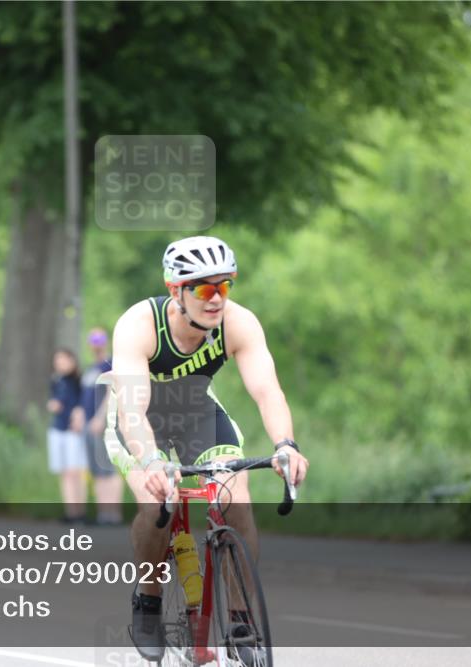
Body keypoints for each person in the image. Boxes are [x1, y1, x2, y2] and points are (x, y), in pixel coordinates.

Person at [102, 236, 309, 662]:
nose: (216, 299)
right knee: (157, 501)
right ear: (175, 290)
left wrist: (286, 445)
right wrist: (151, 461)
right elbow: (133, 411)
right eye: (203, 288)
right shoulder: (139, 324)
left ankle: (239, 621)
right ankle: (148, 598)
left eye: (224, 286)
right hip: (139, 419)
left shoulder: (239, 323)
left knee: (235, 495)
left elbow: (268, 392)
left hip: (197, 413)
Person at [80, 328, 123, 525]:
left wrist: (101, 418)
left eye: (99, 341)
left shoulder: (109, 363)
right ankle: (102, 513)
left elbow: (110, 392)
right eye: (93, 342)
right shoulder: (90, 368)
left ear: (105, 343)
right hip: (88, 425)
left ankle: (113, 514)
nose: (96, 346)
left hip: (104, 424)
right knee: (96, 470)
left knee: (108, 468)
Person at [46, 348, 86, 523]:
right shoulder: (56, 380)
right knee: (64, 472)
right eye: (57, 360)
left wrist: (79, 414)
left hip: (73, 430)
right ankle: (71, 512)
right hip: (58, 428)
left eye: (63, 359)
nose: (60, 363)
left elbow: (83, 402)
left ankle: (81, 512)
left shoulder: (79, 380)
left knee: (75, 471)